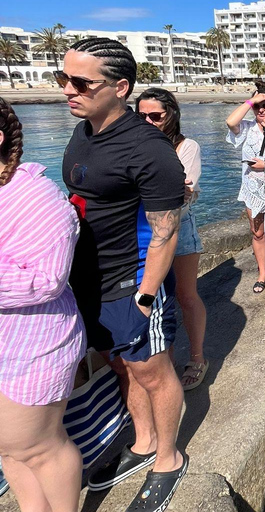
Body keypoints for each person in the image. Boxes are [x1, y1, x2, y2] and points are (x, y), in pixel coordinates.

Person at [58, 37, 188, 508]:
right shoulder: (84, 130)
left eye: (81, 82)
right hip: (87, 282)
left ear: (120, 88)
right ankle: (144, 440)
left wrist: (146, 298)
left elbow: (166, 233)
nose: (67, 90)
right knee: (120, 365)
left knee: (152, 371)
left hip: (130, 281)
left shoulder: (149, 148)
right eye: (63, 78)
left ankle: (168, 459)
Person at [0, 97, 85, 512]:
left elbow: (47, 280)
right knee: (10, 450)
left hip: (33, 344)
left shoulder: (37, 198)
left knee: (38, 447)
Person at [136, 88, 209, 392]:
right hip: (141, 230)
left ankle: (197, 358)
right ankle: (163, 362)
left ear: (171, 115)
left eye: (156, 116)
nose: (148, 122)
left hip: (179, 226)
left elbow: (185, 193)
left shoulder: (186, 146)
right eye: (141, 116)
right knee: (152, 298)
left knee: (185, 294)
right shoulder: (133, 145)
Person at [225, 81, 265, 298]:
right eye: (257, 107)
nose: (261, 110)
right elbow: (230, 121)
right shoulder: (247, 128)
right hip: (252, 188)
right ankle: (262, 273)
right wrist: (252, 100)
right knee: (258, 233)